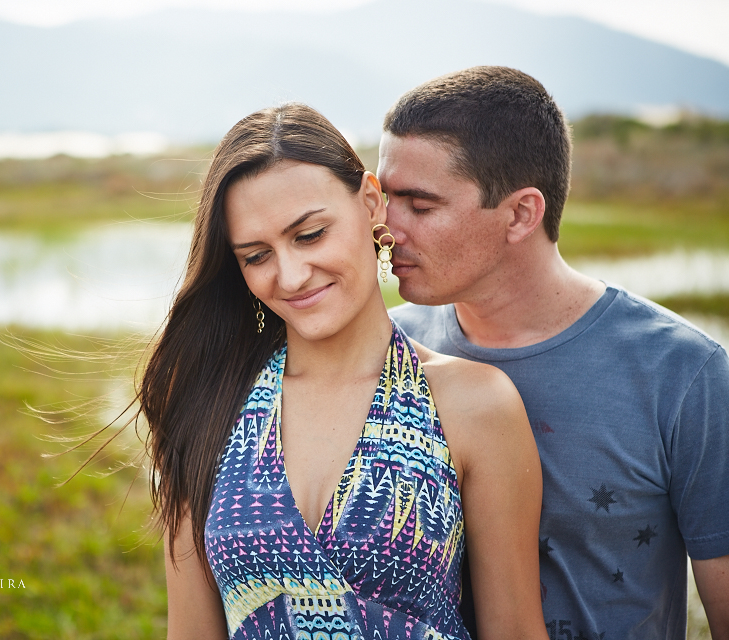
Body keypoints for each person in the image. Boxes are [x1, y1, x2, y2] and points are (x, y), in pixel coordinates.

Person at [141, 102, 549, 640]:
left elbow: (515, 629)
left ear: (371, 202)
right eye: (256, 256)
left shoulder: (474, 404)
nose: (291, 276)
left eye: (310, 235)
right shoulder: (209, 403)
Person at [378, 66, 729, 640]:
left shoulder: (683, 373)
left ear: (521, 213)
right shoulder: (385, 352)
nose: (387, 228)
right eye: (384, 198)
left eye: (419, 205)